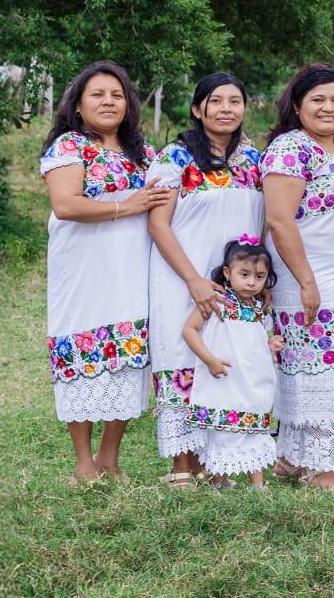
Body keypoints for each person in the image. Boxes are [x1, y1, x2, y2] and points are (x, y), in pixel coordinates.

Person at [41, 60, 171, 484]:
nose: (108, 101)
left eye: (117, 94)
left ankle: (109, 458)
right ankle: (82, 464)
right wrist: (127, 206)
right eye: (97, 94)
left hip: (132, 270)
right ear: (78, 105)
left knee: (128, 357)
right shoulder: (69, 147)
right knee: (79, 356)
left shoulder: (144, 153)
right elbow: (67, 204)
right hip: (82, 271)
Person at [146, 72, 264, 488]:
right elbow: (158, 225)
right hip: (182, 275)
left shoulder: (253, 160)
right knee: (182, 358)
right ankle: (182, 465)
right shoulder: (174, 158)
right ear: (198, 109)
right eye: (217, 101)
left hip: (236, 284)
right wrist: (194, 279)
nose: (227, 109)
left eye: (235, 101)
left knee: (224, 363)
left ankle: (218, 464)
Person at [261, 64, 334, 491]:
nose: (329, 108)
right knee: (316, 370)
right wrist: (307, 280)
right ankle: (318, 465)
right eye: (318, 100)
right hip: (309, 277)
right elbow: (279, 219)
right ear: (296, 106)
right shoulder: (291, 149)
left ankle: (291, 456)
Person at [182, 237, 284, 487]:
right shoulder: (220, 302)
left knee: (254, 429)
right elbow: (189, 330)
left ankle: (258, 484)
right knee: (224, 432)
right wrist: (209, 360)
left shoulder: (259, 307)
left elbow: (252, 339)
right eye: (245, 274)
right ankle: (220, 479)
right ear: (228, 273)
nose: (251, 282)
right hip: (226, 378)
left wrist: (269, 345)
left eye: (259, 277)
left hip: (253, 380)